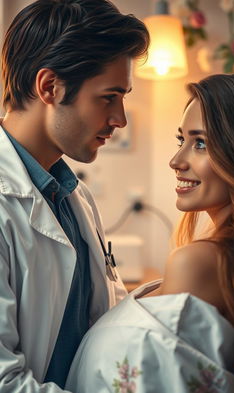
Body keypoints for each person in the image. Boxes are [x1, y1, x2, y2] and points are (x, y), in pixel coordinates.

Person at [65, 72, 234, 393]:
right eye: (181, 140)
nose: (176, 161)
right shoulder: (228, 258)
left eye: (200, 143)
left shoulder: (198, 262)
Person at [0, 0, 149, 391]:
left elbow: (102, 320)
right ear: (50, 86)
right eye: (109, 97)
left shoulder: (72, 194)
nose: (120, 119)